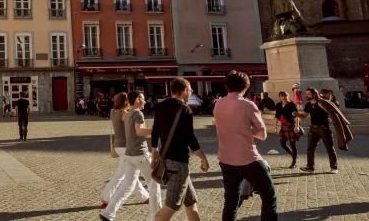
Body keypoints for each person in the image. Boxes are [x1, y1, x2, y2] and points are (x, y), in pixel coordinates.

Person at [214, 71, 277, 221]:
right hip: (247, 158)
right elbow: (262, 135)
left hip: (226, 158)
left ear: (227, 86)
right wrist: (247, 129)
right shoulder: (248, 105)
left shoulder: (218, 104)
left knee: (231, 200)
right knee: (269, 195)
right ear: (245, 87)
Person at [151, 78, 209, 221]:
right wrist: (203, 157)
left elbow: (155, 132)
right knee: (171, 206)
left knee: (191, 203)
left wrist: (155, 155)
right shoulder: (185, 109)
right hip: (178, 162)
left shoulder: (161, 106)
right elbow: (189, 137)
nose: (190, 93)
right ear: (184, 91)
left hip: (167, 159)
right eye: (190, 90)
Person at [100, 91, 161, 221]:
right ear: (137, 100)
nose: (145, 102)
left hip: (128, 154)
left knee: (127, 184)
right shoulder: (134, 113)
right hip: (138, 153)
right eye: (143, 99)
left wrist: (153, 133)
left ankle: (108, 212)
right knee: (154, 184)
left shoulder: (121, 113)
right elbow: (139, 131)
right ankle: (157, 217)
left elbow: (136, 133)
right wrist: (158, 130)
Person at [298, 88, 339, 173]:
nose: (307, 95)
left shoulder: (321, 103)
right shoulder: (308, 105)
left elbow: (331, 111)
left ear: (314, 94)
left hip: (323, 128)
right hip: (313, 129)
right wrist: (297, 114)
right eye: (306, 94)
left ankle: (334, 168)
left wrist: (331, 103)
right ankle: (310, 167)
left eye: (309, 94)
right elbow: (304, 116)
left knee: (330, 148)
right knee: (310, 148)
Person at [275, 90, 300, 169]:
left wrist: (297, 126)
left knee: (293, 145)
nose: (283, 97)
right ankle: (293, 156)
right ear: (280, 97)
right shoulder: (278, 105)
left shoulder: (292, 104)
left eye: (285, 96)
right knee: (283, 144)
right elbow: (276, 115)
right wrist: (275, 126)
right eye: (282, 96)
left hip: (291, 125)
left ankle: (294, 162)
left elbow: (297, 116)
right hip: (283, 126)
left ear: (288, 96)